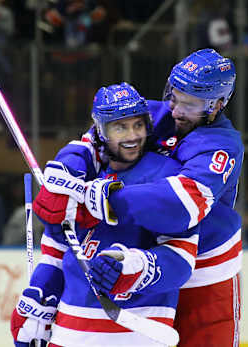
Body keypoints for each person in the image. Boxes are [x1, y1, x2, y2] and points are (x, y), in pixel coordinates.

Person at [33, 49, 244, 346]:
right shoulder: (158, 113)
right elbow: (98, 136)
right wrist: (67, 171)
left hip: (205, 269)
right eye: (174, 95)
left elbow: (182, 204)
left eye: (191, 104)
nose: (177, 110)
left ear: (218, 105)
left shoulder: (222, 144)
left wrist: (106, 200)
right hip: (153, 254)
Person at [11, 83, 199, 347]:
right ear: (100, 131)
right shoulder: (81, 175)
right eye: (119, 127)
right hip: (67, 335)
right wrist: (39, 300)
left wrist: (133, 266)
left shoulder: (166, 174)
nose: (132, 135)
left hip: (135, 337)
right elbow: (56, 252)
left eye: (138, 125)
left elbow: (181, 260)